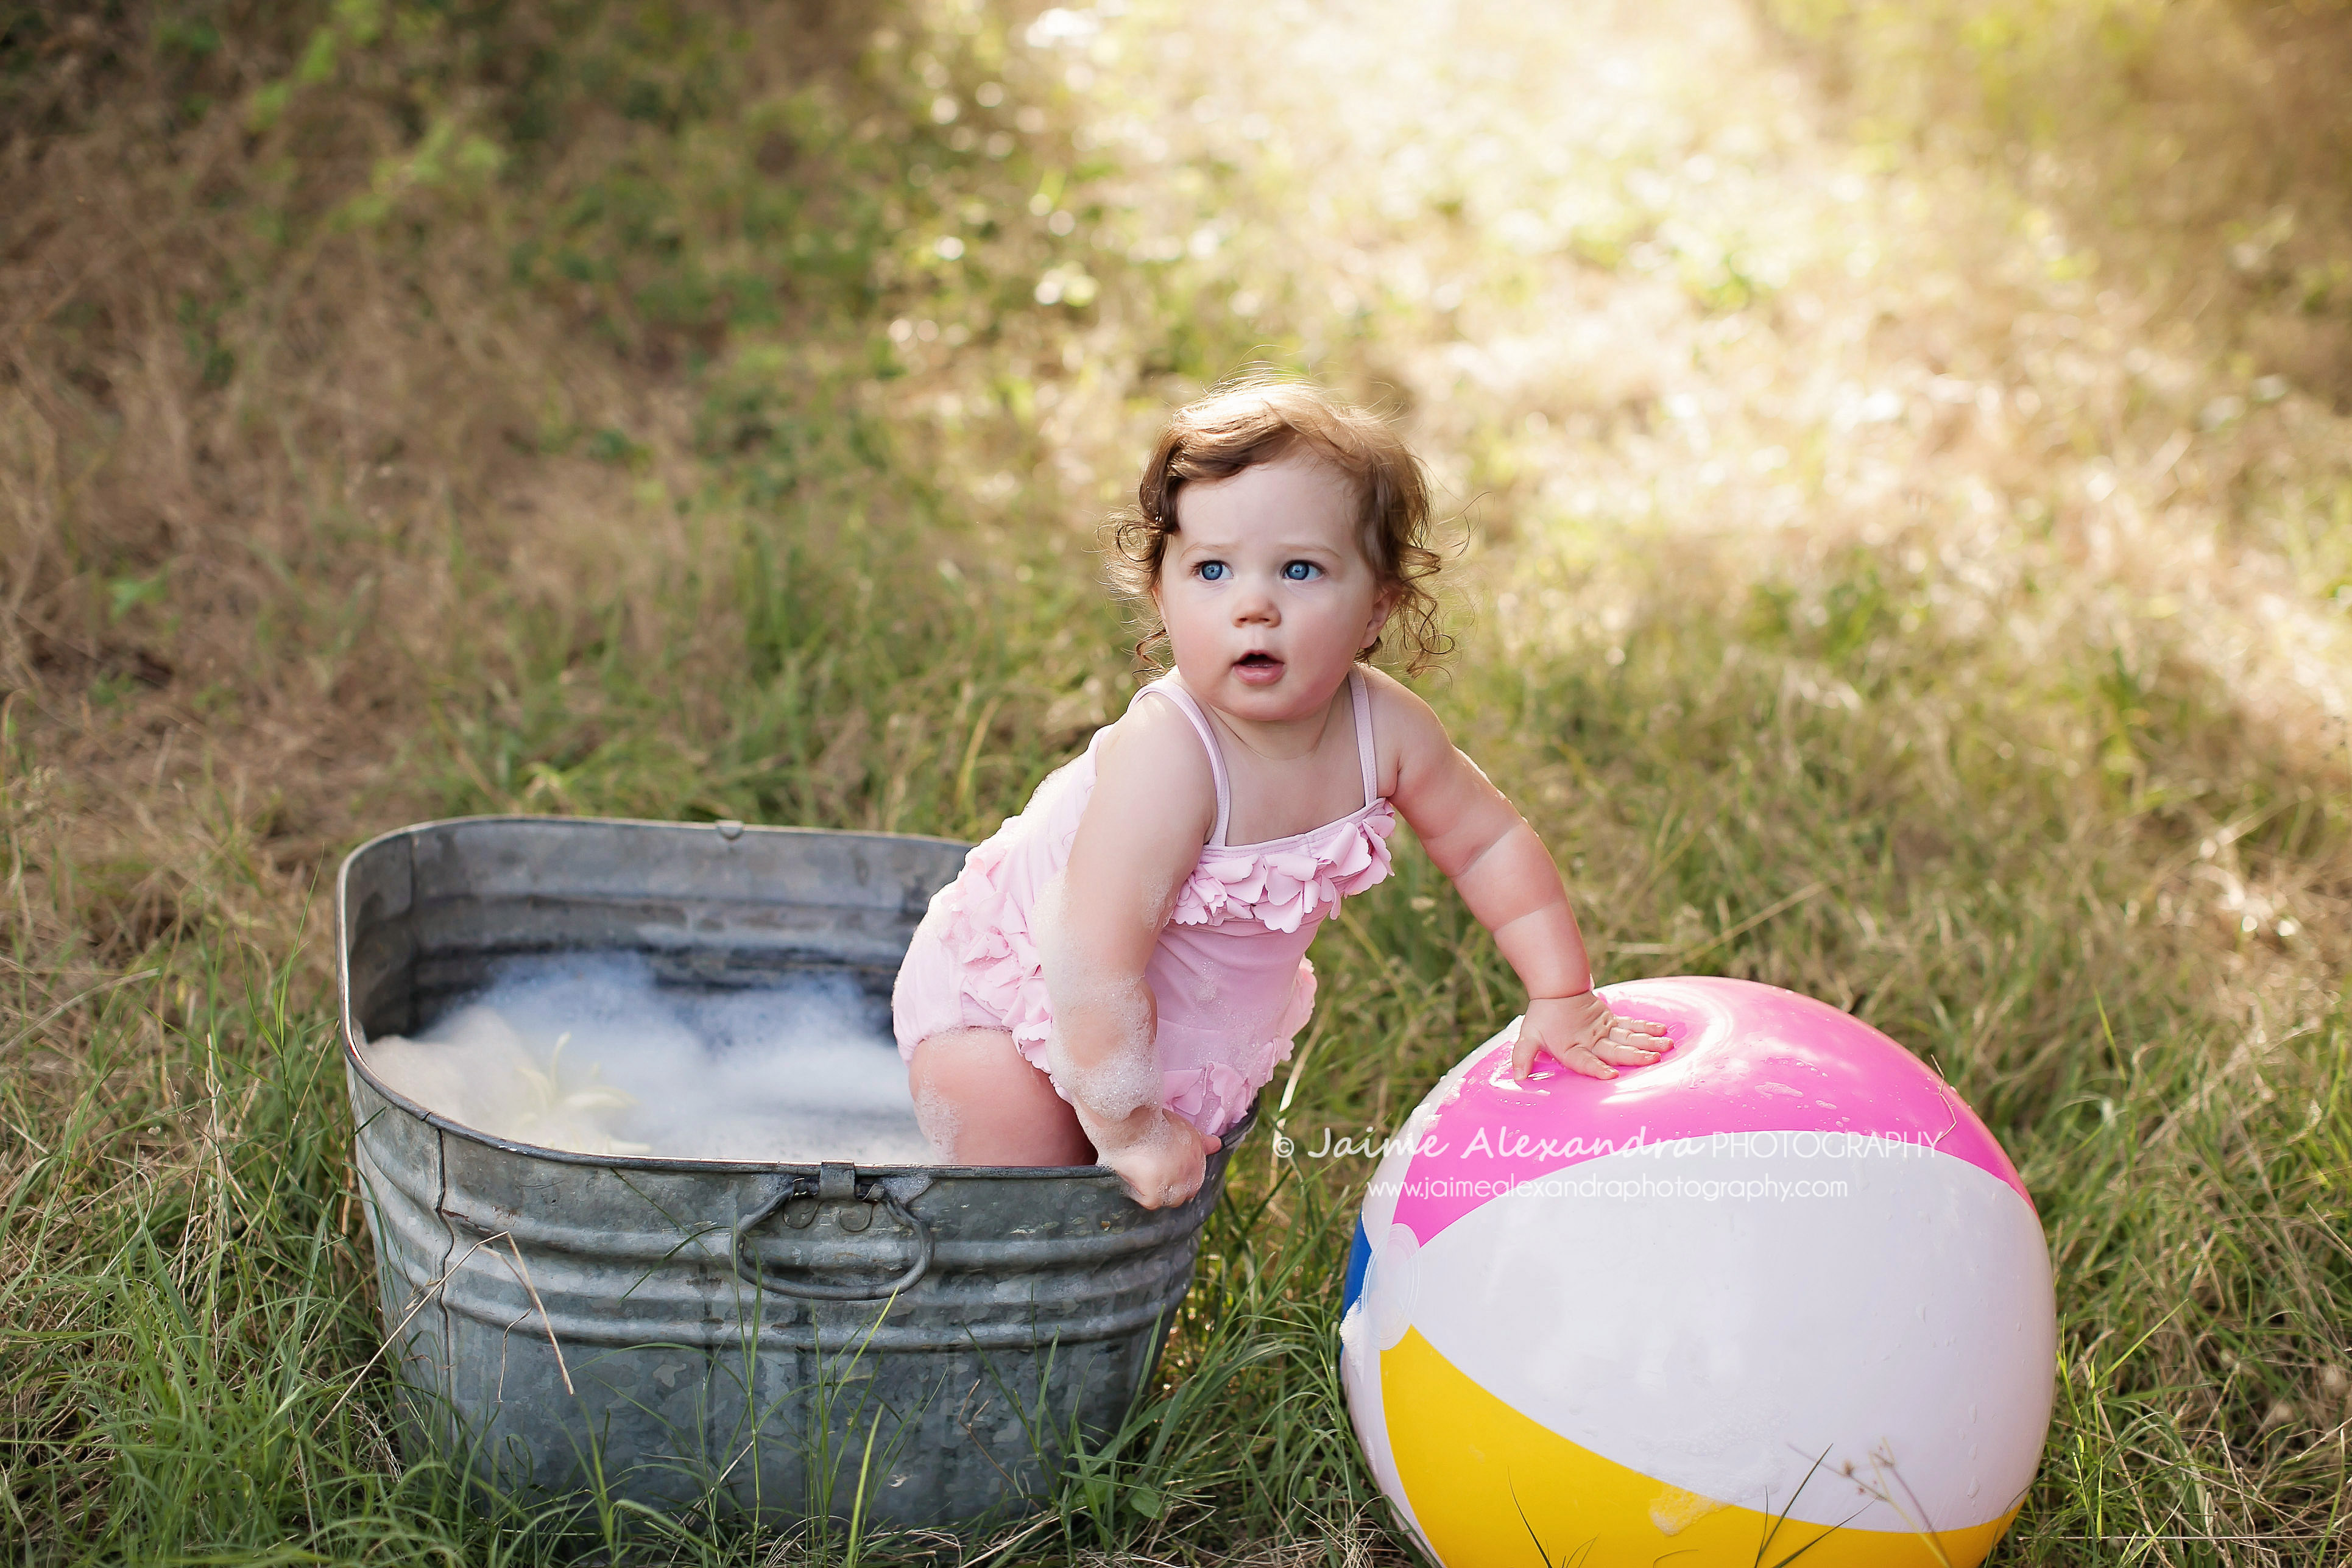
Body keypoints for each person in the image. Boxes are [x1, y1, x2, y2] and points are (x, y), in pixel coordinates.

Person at [892, 378, 1670, 1208]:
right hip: (1016, 1007)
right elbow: (1089, 960)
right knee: (1023, 1186)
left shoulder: (1387, 729)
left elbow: (1487, 843)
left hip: (1153, 1018)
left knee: (1135, 1188)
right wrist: (1131, 1127)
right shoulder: (1171, 754)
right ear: (1161, 592)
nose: (1253, 606)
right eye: (1212, 570)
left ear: (1378, 606)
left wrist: (1561, 993)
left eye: (1298, 569)